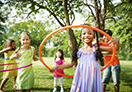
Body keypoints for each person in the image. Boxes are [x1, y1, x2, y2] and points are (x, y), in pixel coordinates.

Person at [49, 27, 109, 92]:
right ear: (81, 37)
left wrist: (117, 40)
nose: (86, 35)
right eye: (84, 33)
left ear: (94, 36)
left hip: (93, 76)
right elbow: (71, 64)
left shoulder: (96, 48)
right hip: (82, 76)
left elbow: (114, 48)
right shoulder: (79, 50)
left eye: (89, 33)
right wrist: (56, 67)